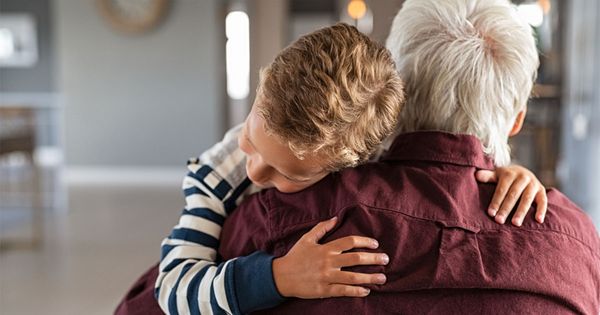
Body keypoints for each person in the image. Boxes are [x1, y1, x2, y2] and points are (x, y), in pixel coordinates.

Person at [115, 23, 548, 315]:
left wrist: (508, 170)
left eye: (288, 174)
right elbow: (173, 288)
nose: (254, 172)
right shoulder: (213, 180)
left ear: (353, 166)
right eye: (251, 136)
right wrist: (278, 276)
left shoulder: (369, 156)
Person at [215, 0, 600, 314]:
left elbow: (167, 294)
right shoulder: (574, 240)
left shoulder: (280, 214)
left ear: (390, 103)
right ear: (516, 121)